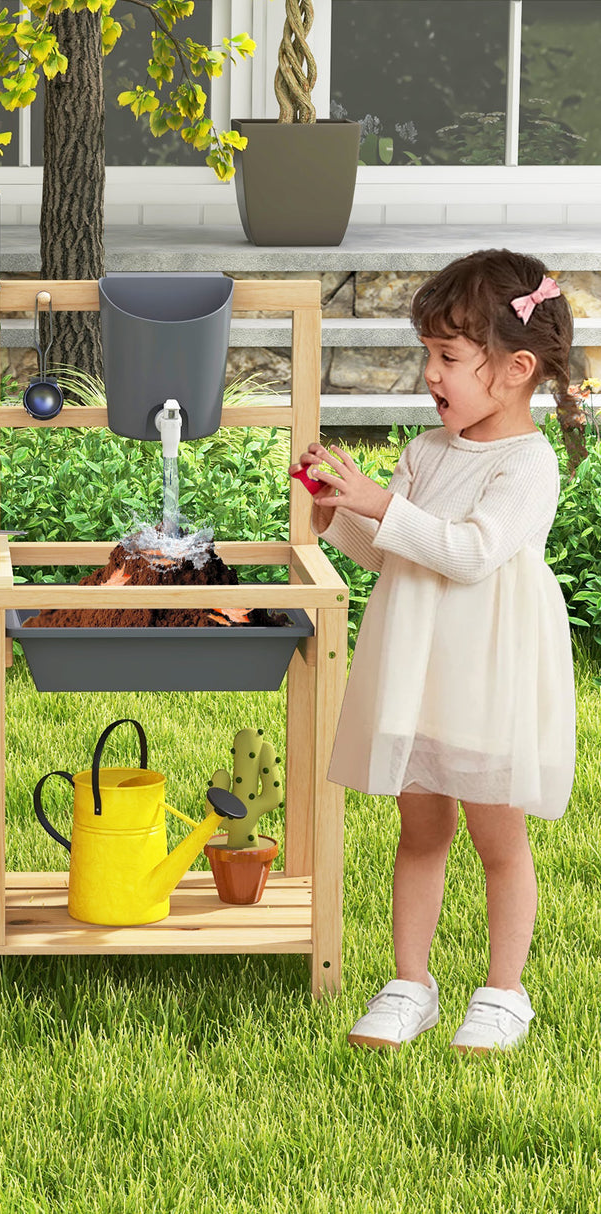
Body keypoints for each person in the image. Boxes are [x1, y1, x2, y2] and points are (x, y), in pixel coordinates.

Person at [292, 249, 576, 1054]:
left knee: (498, 837)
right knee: (418, 829)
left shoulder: (528, 464)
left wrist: (381, 503)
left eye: (447, 357)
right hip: (419, 670)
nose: (430, 373)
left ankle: (503, 991)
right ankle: (410, 981)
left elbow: (470, 553)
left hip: (485, 674)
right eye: (429, 354)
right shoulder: (426, 452)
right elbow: (396, 553)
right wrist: (339, 513)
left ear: (516, 369)